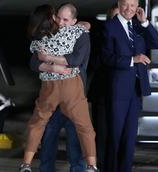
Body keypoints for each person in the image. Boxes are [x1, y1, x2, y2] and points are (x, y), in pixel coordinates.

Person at [19, 4, 98, 172]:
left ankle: (26, 165)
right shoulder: (77, 32)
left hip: (59, 89)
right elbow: (36, 63)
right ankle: (92, 166)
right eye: (58, 18)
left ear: (73, 20)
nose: (61, 22)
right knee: (79, 129)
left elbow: (76, 59)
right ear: (54, 18)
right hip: (68, 88)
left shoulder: (42, 37)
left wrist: (49, 59)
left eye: (65, 19)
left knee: (42, 126)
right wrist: (53, 67)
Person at [101, 0, 158, 171]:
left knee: (129, 138)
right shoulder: (109, 27)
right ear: (119, 5)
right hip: (118, 90)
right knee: (115, 135)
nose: (129, 9)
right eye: (126, 5)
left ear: (137, 7)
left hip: (135, 89)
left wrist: (144, 22)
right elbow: (106, 58)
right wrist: (132, 60)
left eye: (133, 5)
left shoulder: (138, 26)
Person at [87, 3, 118, 171]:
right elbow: (94, 62)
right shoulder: (99, 37)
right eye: (113, 18)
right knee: (102, 133)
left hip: (122, 94)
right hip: (102, 92)